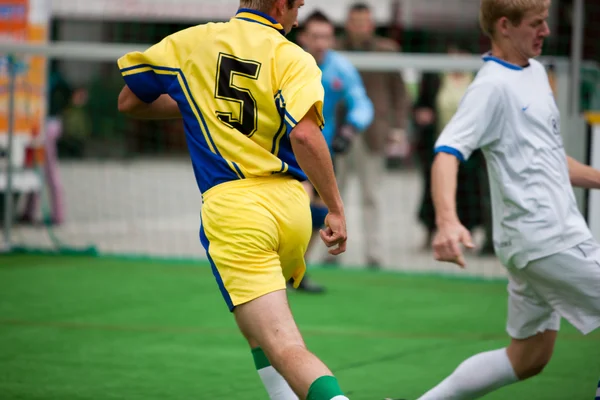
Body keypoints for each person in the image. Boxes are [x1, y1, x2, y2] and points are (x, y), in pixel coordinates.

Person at [116, 1, 351, 399]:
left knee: (284, 344)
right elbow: (306, 133)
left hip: (238, 211)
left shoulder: (191, 42)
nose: (298, 16)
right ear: (280, 6)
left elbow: (129, 101)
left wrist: (200, 106)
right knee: (256, 330)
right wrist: (335, 208)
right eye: (298, 6)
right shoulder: (294, 57)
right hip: (290, 207)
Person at [392, 0, 600, 399]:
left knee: (529, 356)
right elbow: (446, 153)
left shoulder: (536, 72)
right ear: (505, 26)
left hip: (533, 242)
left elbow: (552, 160)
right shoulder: (491, 86)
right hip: (546, 239)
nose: (546, 31)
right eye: (537, 24)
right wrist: (448, 221)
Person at [292, 10, 373, 292]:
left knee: (319, 215)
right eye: (315, 36)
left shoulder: (340, 67)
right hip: (286, 149)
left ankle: (294, 271)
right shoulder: (287, 60)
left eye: (326, 36)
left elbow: (361, 103)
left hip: (321, 151)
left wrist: (350, 130)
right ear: (303, 37)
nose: (321, 42)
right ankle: (273, 271)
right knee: (298, 207)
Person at [335, 2, 409, 268]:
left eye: (364, 21)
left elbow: (400, 93)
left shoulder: (387, 51)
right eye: (354, 21)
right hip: (338, 133)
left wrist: (398, 127)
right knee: (333, 194)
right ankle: (330, 250)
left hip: (373, 133)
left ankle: (373, 252)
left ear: (371, 24)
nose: (359, 26)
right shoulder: (334, 50)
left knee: (371, 196)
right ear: (347, 23)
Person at [413, 42, 494, 254]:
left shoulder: (479, 80)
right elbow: (421, 104)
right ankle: (435, 231)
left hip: (469, 150)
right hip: (440, 146)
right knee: (434, 190)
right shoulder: (435, 78)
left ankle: (465, 234)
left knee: (468, 192)